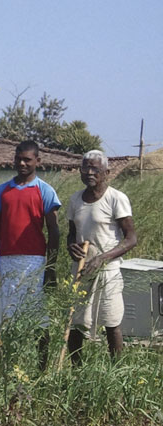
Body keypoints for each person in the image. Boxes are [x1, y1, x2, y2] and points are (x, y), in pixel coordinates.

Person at [0, 140, 60, 369]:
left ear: (38, 161)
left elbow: (54, 232)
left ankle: (41, 368)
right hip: (7, 260)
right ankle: (8, 366)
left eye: (27, 159)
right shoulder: (2, 191)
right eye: (18, 158)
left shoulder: (44, 190)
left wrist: (50, 268)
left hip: (35, 261)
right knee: (6, 317)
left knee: (38, 318)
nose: (22, 163)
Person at [66, 150, 137, 363]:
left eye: (95, 169)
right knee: (76, 322)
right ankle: (76, 371)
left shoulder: (116, 199)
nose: (89, 172)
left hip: (108, 271)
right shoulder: (75, 200)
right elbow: (71, 234)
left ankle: (114, 370)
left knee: (111, 322)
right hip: (81, 270)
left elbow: (131, 238)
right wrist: (71, 247)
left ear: (106, 172)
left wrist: (102, 258)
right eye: (85, 168)